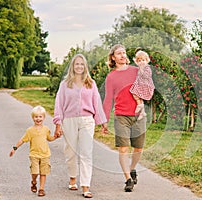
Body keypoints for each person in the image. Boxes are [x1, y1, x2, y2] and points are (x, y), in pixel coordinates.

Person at [53, 53, 107, 198]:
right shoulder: (65, 84)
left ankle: (85, 186)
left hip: (87, 120)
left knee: (86, 153)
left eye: (82, 64)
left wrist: (102, 122)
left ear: (85, 67)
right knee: (70, 152)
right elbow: (59, 104)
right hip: (69, 120)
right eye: (77, 64)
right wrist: (58, 123)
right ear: (72, 66)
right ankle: (72, 178)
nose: (79, 66)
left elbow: (97, 103)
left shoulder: (91, 83)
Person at [102, 44, 147, 192]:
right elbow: (108, 99)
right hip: (121, 116)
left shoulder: (135, 71)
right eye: (119, 53)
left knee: (138, 148)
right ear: (113, 57)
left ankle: (132, 168)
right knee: (123, 148)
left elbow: (147, 84)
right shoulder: (111, 77)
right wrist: (104, 120)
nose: (122, 55)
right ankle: (128, 178)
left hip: (138, 115)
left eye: (124, 52)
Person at [9, 105, 58, 197]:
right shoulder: (30, 131)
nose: (38, 119)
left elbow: (49, 139)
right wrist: (14, 149)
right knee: (35, 172)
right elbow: (22, 140)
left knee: (43, 173)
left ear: (43, 117)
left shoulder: (46, 129)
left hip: (45, 155)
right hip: (34, 155)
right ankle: (34, 181)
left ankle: (41, 189)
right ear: (33, 118)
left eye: (40, 117)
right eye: (36, 117)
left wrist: (55, 136)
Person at [130, 49, 155, 120]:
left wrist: (141, 69)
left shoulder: (147, 68)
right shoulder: (139, 68)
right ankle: (142, 111)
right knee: (136, 95)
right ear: (137, 62)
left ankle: (140, 107)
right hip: (140, 85)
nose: (142, 62)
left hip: (146, 85)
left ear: (147, 60)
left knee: (136, 94)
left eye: (143, 60)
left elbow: (146, 76)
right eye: (139, 60)